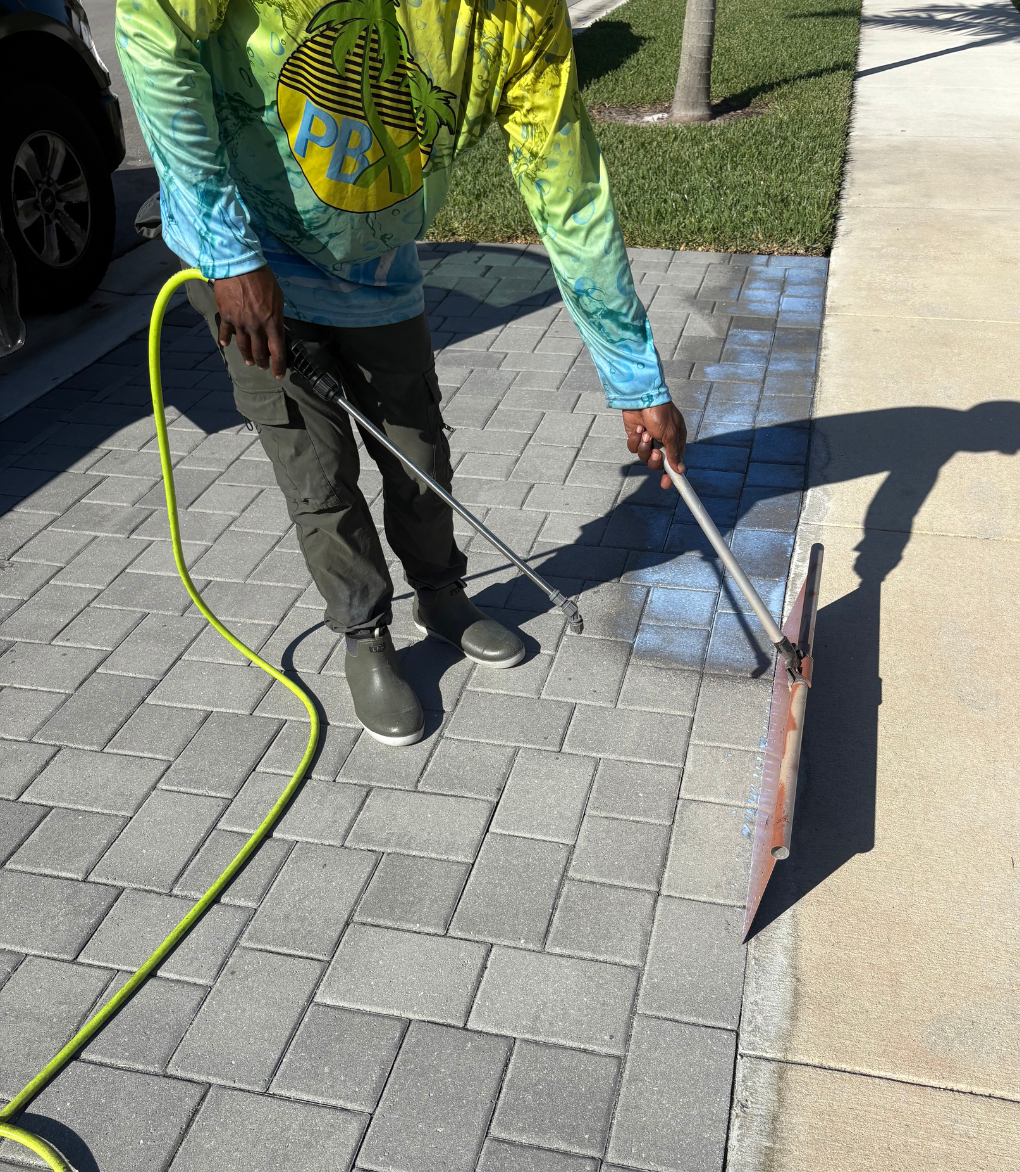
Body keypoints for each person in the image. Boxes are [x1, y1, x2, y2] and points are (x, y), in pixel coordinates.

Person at [116, 0, 687, 746]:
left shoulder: (524, 17)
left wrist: (636, 380)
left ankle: (441, 596)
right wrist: (226, 254)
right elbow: (152, 29)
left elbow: (570, 197)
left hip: (380, 269)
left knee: (419, 450)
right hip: (252, 265)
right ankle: (365, 634)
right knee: (319, 474)